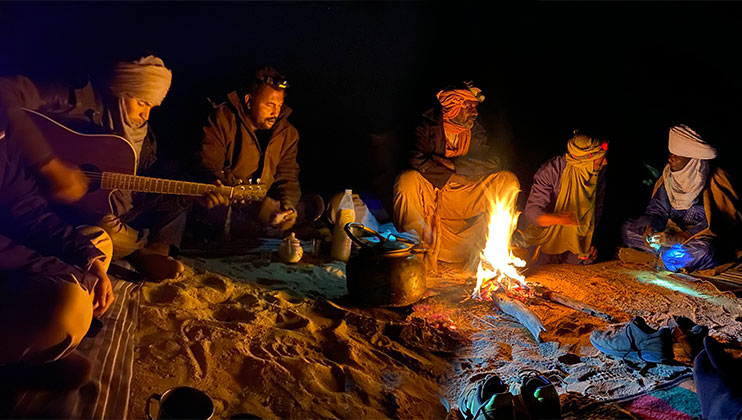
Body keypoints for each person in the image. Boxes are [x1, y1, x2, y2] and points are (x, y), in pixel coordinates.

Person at [0, 55, 187, 281]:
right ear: (121, 91)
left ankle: (145, 248)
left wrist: (192, 197)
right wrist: (50, 164)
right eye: (141, 103)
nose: (145, 115)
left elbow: (141, 187)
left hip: (120, 206)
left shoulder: (145, 138)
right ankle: (141, 252)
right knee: (104, 230)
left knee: (180, 201)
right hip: (67, 209)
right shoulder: (77, 99)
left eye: (152, 107)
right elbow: (5, 92)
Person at [0, 132, 114, 388]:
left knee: (98, 241)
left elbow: (28, 211)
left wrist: (87, 259)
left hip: (14, 261)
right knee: (70, 305)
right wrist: (71, 275)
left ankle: (42, 345)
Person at [393, 81, 520, 271]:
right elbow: (416, 159)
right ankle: (415, 253)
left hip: (465, 192)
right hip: (433, 192)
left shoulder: (476, 130)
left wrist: (454, 165)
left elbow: (493, 161)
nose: (475, 112)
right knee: (407, 180)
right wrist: (448, 176)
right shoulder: (427, 125)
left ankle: (492, 254)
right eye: (469, 106)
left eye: (475, 107)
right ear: (453, 106)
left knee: (508, 181)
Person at [193, 66, 323, 240]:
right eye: (269, 104)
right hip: (231, 203)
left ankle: (274, 226)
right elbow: (207, 168)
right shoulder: (222, 120)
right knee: (214, 209)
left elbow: (287, 176)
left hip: (267, 206)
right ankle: (267, 231)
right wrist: (251, 205)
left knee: (315, 204)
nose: (275, 112)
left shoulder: (287, 133)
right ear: (249, 101)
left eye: (279, 105)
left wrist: (287, 206)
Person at [621, 125, 741, 273]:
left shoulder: (716, 179)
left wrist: (680, 237)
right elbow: (658, 210)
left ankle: (659, 258)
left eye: (676, 155)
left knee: (705, 251)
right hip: (668, 235)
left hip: (698, 239)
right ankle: (666, 259)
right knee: (628, 229)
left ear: (693, 159)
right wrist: (652, 227)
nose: (670, 158)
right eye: (671, 153)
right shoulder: (668, 177)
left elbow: (724, 224)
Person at [520, 133, 608, 265]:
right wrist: (560, 219)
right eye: (601, 159)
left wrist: (589, 241)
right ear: (584, 160)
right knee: (538, 261)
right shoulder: (552, 171)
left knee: (587, 259)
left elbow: (597, 210)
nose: (605, 162)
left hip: (575, 238)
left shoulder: (597, 174)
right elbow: (532, 212)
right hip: (547, 235)